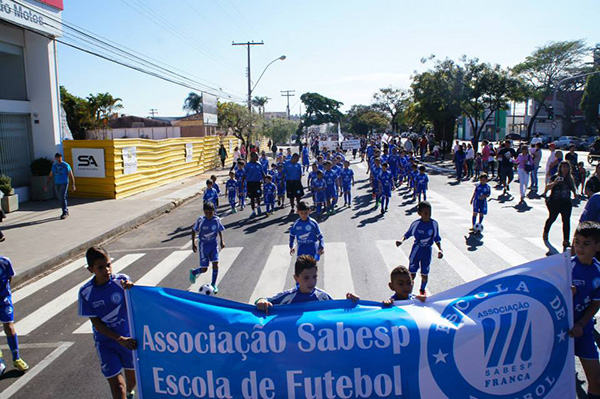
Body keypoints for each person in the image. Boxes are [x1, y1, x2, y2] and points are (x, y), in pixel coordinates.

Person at [78, 247, 136, 399]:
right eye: (101, 267)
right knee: (118, 387)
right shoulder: (86, 292)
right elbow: (97, 325)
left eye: (108, 265)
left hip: (129, 340)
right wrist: (119, 339)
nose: (107, 270)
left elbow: (137, 302)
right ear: (91, 269)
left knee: (132, 381)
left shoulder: (122, 281)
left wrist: (132, 289)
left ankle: (130, 393)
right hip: (106, 343)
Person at [569, 221, 600, 399]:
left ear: (597, 246)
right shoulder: (565, 267)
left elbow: (596, 303)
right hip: (561, 332)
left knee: (596, 381)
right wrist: (565, 293)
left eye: (586, 243)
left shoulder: (598, 272)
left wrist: (582, 323)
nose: (580, 247)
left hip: (583, 331)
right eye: (577, 242)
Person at [395, 201, 443, 296]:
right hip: (416, 251)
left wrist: (440, 250)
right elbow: (408, 234)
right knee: (411, 274)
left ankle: (422, 290)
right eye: (425, 213)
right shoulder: (416, 224)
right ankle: (408, 292)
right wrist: (401, 241)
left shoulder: (434, 224)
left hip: (427, 252)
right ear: (419, 213)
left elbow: (437, 238)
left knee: (424, 274)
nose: (427, 215)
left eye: (429, 213)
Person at [256, 255, 332, 314]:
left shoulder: (323, 296)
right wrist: (261, 301)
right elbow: (265, 301)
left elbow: (338, 312)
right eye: (306, 278)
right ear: (296, 278)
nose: (311, 282)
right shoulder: (288, 297)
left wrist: (344, 303)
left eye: (314, 277)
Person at [0, 256, 29, 375]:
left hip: (4, 300)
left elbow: (9, 277)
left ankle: (16, 358)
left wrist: (5, 294)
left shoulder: (5, 262)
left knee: (10, 328)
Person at [190, 202, 225, 293]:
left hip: (213, 245)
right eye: (206, 213)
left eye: (210, 213)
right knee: (204, 269)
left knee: (215, 264)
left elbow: (220, 230)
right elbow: (194, 230)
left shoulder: (216, 220)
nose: (208, 215)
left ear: (214, 211)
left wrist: (222, 241)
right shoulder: (201, 220)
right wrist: (193, 243)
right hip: (203, 246)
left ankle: (213, 284)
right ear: (204, 212)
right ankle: (194, 272)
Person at [346, 266, 426, 305]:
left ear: (413, 283)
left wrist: (425, 302)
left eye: (408, 283)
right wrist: (357, 303)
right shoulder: (391, 303)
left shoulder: (416, 300)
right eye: (400, 284)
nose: (406, 287)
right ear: (391, 286)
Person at [543, 161, 577, 250]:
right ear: (560, 168)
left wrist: (575, 195)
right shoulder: (555, 177)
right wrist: (555, 183)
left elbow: (573, 188)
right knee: (552, 218)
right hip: (555, 202)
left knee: (566, 221)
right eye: (563, 167)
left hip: (566, 202)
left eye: (567, 167)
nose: (565, 169)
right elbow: (547, 187)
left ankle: (566, 240)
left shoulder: (570, 178)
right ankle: (546, 231)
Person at [45, 152, 76, 220]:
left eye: (59, 157)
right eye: (57, 158)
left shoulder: (65, 165)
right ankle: (66, 210)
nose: (58, 159)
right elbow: (50, 175)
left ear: (61, 157)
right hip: (57, 183)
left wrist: (73, 185)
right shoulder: (54, 166)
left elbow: (71, 175)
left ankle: (64, 212)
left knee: (62, 196)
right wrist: (47, 184)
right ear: (55, 158)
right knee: (60, 197)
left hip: (64, 182)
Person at [245, 152, 266, 217]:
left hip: (257, 182)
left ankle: (258, 207)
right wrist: (243, 183)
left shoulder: (259, 164)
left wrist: (265, 181)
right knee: (252, 198)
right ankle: (253, 211)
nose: (257, 158)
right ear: (252, 157)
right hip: (250, 183)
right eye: (256, 156)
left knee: (258, 196)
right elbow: (244, 175)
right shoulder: (248, 165)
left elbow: (263, 174)